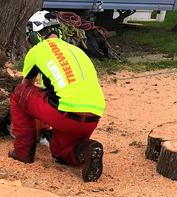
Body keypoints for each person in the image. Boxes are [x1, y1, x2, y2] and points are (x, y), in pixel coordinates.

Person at [9, 11, 106, 182]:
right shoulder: (77, 50)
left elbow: (27, 86)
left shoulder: (38, 50)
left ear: (35, 34)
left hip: (63, 114)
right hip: (92, 118)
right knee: (61, 151)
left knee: (18, 94)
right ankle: (87, 150)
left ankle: (23, 151)